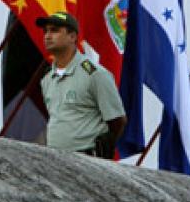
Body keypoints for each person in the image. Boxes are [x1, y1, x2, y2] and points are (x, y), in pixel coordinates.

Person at [36, 11, 126, 159]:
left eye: (55, 30)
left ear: (72, 36)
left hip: (87, 159)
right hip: (55, 160)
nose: (47, 36)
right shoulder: (47, 79)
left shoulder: (95, 74)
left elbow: (117, 120)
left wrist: (106, 144)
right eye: (46, 31)